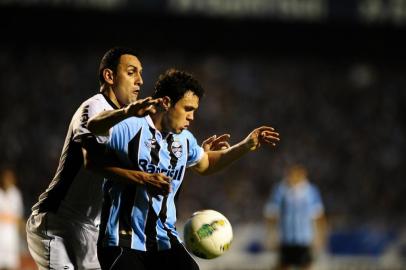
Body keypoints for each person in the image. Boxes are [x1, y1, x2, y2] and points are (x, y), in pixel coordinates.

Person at [26, 47, 231, 270]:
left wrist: (192, 150)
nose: (140, 81)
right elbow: (92, 162)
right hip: (59, 222)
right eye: (132, 72)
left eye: (141, 73)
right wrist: (144, 178)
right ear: (109, 76)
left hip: (93, 228)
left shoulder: (134, 123)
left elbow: (156, 159)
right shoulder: (96, 107)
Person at [93, 68, 281, 270]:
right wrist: (125, 113)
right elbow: (94, 127)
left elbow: (206, 164)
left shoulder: (185, 140)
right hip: (123, 240)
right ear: (166, 103)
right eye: (187, 109)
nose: (191, 117)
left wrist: (244, 146)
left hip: (163, 239)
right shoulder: (130, 127)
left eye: (194, 111)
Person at [263, 164, 326, 270]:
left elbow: (318, 215)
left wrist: (320, 237)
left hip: (304, 238)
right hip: (286, 238)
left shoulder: (311, 191)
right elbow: (271, 214)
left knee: (306, 265)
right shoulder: (281, 190)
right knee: (283, 265)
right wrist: (270, 235)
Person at [0, 166, 24, 270]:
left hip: (11, 236)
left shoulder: (16, 194)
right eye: (6, 177)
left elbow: (18, 217)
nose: (7, 180)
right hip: (1, 235)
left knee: (12, 265)